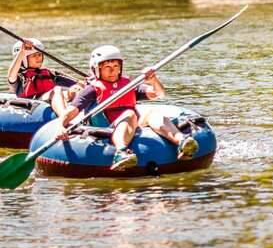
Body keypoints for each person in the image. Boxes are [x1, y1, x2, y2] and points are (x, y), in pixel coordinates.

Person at [65, 45, 199, 171]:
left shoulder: (128, 84)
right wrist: (62, 124)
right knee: (129, 113)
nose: (113, 71)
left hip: (131, 121)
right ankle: (121, 152)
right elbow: (73, 109)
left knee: (152, 113)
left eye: (116, 66)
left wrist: (153, 80)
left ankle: (182, 141)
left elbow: (159, 94)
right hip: (106, 125)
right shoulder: (91, 89)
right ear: (96, 69)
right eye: (107, 67)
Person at [7, 38, 81, 131]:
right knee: (57, 90)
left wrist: (83, 84)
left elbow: (75, 82)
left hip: (51, 97)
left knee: (76, 89)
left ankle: (90, 119)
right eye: (34, 55)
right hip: (34, 102)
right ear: (23, 60)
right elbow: (11, 74)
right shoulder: (18, 76)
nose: (38, 58)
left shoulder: (49, 72)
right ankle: (64, 119)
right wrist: (22, 52)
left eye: (39, 54)